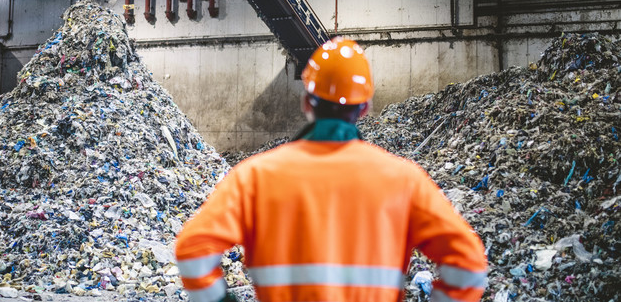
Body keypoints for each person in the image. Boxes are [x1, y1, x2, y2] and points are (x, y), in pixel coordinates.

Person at [174, 37, 488, 302]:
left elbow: (193, 250)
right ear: (364, 108)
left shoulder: (254, 176)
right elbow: (469, 265)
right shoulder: (404, 179)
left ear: (306, 102)